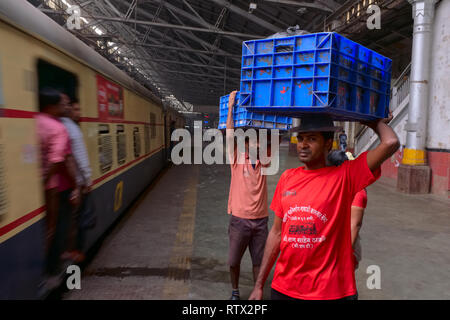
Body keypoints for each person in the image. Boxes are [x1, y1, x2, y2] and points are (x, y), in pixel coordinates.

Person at [249, 113, 399, 300]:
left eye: (312, 139)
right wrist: (259, 284)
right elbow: (276, 233)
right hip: (284, 288)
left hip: (329, 292)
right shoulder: (288, 178)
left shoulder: (345, 177)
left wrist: (373, 123)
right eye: (301, 138)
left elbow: (391, 142)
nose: (303, 145)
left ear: (328, 144)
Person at [225, 90, 270, 300]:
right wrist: (232, 106)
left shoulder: (266, 161)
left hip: (261, 220)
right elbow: (229, 133)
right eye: (251, 141)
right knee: (234, 261)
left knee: (258, 262)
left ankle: (256, 291)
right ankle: (235, 291)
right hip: (240, 219)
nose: (255, 145)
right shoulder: (236, 158)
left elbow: (273, 129)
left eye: (258, 142)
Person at [35, 88, 80, 282]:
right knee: (52, 228)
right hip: (51, 185)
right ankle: (49, 267)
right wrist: (75, 185)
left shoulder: (34, 120)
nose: (66, 108)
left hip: (34, 178)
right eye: (62, 105)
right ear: (51, 106)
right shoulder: (58, 128)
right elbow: (59, 159)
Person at [60, 97, 93, 263]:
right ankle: (73, 252)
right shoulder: (73, 129)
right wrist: (88, 181)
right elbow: (81, 158)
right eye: (76, 109)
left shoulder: (60, 125)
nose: (79, 113)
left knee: (69, 219)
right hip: (76, 184)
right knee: (75, 219)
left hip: (63, 185)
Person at [327, 150, 366, 270]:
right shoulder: (333, 184)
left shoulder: (358, 191)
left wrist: (342, 258)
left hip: (344, 248)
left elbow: (354, 226)